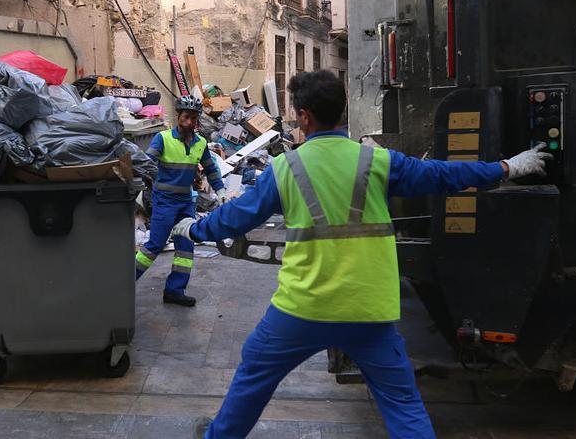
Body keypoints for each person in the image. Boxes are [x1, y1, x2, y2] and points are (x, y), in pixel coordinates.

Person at [172, 71, 553, 438]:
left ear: (305, 117)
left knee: (254, 375)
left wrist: (196, 229)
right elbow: (443, 175)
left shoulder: (285, 168)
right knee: (402, 403)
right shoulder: (378, 161)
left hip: (303, 308)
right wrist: (507, 167)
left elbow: (238, 217)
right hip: (369, 310)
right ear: (341, 112)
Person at [135, 96, 228, 307]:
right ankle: (125, 284)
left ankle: (175, 291)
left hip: (186, 202)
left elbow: (211, 168)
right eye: (186, 117)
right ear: (178, 116)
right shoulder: (163, 138)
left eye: (194, 119)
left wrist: (220, 189)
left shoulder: (201, 143)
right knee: (155, 245)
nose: (190, 123)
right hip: (164, 202)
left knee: (186, 247)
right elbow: (146, 163)